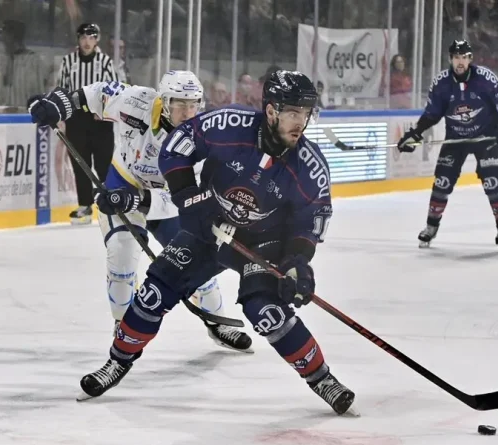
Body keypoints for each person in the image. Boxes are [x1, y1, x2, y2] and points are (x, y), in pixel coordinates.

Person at [76, 70, 357, 416]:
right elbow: (176, 149)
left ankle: (322, 379)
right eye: (294, 114)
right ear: (271, 112)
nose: (302, 123)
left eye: (306, 115)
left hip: (264, 242)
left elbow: (312, 218)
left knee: (266, 310)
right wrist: (190, 198)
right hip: (210, 227)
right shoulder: (229, 125)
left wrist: (299, 261)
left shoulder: (309, 165)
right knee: (154, 292)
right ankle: (117, 362)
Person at [26, 71, 253, 352]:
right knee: (122, 253)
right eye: (180, 104)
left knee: (193, 261)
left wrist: (135, 200)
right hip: (123, 180)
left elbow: (181, 197)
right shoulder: (137, 102)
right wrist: (61, 104)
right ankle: (124, 325)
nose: (188, 112)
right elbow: (97, 94)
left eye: (193, 105)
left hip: (165, 199)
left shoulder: (203, 140)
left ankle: (218, 321)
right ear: (164, 101)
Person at [397, 40, 498, 251]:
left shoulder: (484, 77)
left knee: (492, 182)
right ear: (450, 59)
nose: (460, 62)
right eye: (456, 57)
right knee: (442, 182)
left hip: (485, 138)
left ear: (470, 59)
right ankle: (431, 226)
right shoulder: (441, 82)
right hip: (456, 138)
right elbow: (432, 114)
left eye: (464, 57)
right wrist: (416, 132)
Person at [56, 23, 119, 224]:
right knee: (80, 163)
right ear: (78, 39)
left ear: (97, 40)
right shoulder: (68, 61)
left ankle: (111, 203)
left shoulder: (105, 62)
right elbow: (62, 90)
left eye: (91, 37)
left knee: (104, 163)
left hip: (100, 119)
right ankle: (85, 206)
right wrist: (62, 117)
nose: (87, 41)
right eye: (83, 37)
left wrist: (104, 110)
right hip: (76, 120)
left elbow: (114, 89)